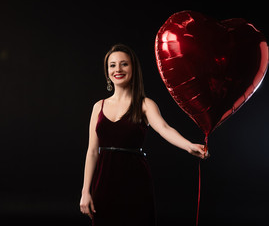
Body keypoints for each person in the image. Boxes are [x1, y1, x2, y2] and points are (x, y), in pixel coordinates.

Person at [80, 44, 208, 226]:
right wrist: (86, 191)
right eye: (112, 65)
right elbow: (92, 152)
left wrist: (189, 146)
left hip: (135, 181)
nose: (118, 69)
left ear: (133, 68)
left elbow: (164, 128)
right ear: (107, 71)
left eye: (124, 64)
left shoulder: (145, 104)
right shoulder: (98, 107)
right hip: (104, 181)